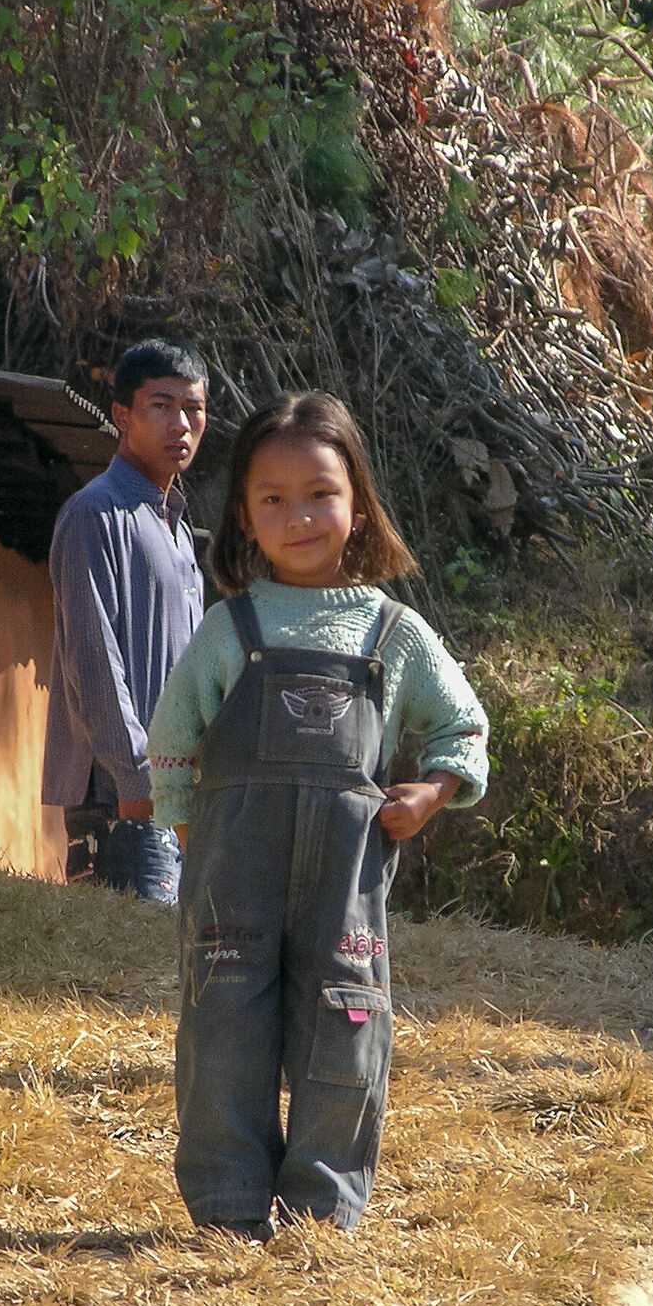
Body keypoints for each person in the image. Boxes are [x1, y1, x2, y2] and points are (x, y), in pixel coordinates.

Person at [144, 391, 488, 1241]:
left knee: (347, 1026)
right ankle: (226, 1212)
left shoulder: (396, 636)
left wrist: (430, 792)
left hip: (345, 878)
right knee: (225, 1025)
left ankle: (320, 1217)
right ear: (243, 518)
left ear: (358, 505)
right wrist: (193, 831)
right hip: (234, 875)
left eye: (321, 494)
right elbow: (172, 736)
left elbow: (462, 727)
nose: (299, 516)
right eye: (273, 499)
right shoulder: (230, 630)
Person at [43, 340, 212, 902]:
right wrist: (139, 780)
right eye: (160, 406)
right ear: (121, 416)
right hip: (121, 792)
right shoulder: (95, 514)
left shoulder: (179, 530)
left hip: (177, 791)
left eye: (194, 409)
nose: (181, 424)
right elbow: (92, 663)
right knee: (132, 975)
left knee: (182, 971)